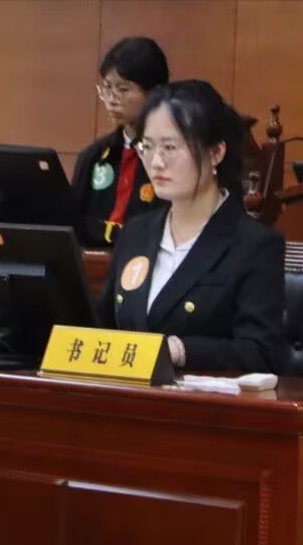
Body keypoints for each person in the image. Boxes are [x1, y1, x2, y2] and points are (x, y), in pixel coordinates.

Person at [100, 81, 287, 375]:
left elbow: (260, 352)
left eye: (170, 147)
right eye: (147, 146)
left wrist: (179, 350)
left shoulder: (254, 245)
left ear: (216, 153)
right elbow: (102, 326)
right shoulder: (136, 233)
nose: (156, 162)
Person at [70, 37, 170, 247]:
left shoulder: (170, 158)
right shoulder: (93, 156)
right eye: (107, 88)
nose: (111, 99)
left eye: (123, 90)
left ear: (155, 92)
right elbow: (72, 224)